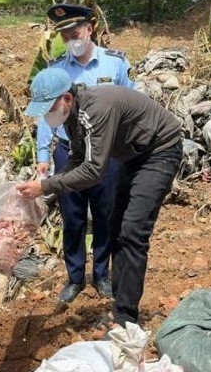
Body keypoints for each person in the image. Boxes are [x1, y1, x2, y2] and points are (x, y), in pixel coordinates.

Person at [17, 65, 182, 328]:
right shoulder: (73, 115)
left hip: (159, 151)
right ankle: (120, 298)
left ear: (66, 99)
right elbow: (77, 157)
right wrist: (46, 184)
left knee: (133, 231)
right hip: (132, 155)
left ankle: (125, 317)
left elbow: (94, 171)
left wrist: (47, 187)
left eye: (49, 109)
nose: (47, 116)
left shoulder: (96, 109)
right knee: (115, 226)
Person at [36, 3, 134, 305]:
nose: (70, 39)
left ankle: (102, 274)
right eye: (64, 35)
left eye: (74, 32)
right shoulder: (56, 69)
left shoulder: (115, 64)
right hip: (70, 153)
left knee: (106, 215)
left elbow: (131, 104)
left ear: (89, 29)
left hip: (108, 155)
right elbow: (45, 115)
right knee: (73, 218)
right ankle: (75, 277)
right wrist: (43, 155)